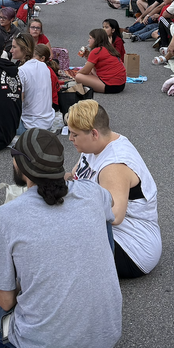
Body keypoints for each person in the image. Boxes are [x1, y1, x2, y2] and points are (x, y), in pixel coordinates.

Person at [0, 128, 121, 348]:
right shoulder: (93, 193)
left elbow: (6, 303)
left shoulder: (7, 215)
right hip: (102, 345)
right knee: (104, 218)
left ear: (19, 163)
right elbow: (107, 209)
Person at [67, 100, 161, 279]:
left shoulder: (114, 165)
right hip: (116, 234)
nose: (70, 139)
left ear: (94, 133)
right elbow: (75, 175)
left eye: (74, 134)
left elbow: (114, 216)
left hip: (132, 248)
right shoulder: (95, 145)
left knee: (53, 240)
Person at [14, 32, 56, 132]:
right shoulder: (43, 66)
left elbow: (18, 102)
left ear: (23, 49)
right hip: (47, 123)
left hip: (29, 126)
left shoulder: (22, 71)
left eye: (14, 47)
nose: (11, 50)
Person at [72, 28, 126, 94]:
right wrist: (88, 57)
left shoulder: (96, 51)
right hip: (121, 85)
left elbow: (85, 71)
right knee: (91, 71)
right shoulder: (110, 48)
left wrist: (75, 74)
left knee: (78, 77)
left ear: (96, 40)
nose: (88, 40)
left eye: (90, 38)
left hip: (110, 86)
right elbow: (95, 66)